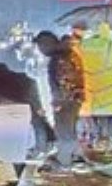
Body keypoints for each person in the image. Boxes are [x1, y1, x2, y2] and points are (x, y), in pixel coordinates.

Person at [34, 30, 86, 168]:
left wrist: (59, 101)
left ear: (48, 44)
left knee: (63, 130)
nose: (40, 50)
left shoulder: (59, 59)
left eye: (41, 46)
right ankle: (75, 157)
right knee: (69, 129)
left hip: (66, 101)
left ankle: (65, 161)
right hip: (74, 99)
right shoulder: (68, 54)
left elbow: (64, 80)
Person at [78, 22, 112, 148]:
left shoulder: (83, 46)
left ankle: (95, 144)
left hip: (90, 91)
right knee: (111, 123)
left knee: (93, 121)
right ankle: (109, 146)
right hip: (111, 90)